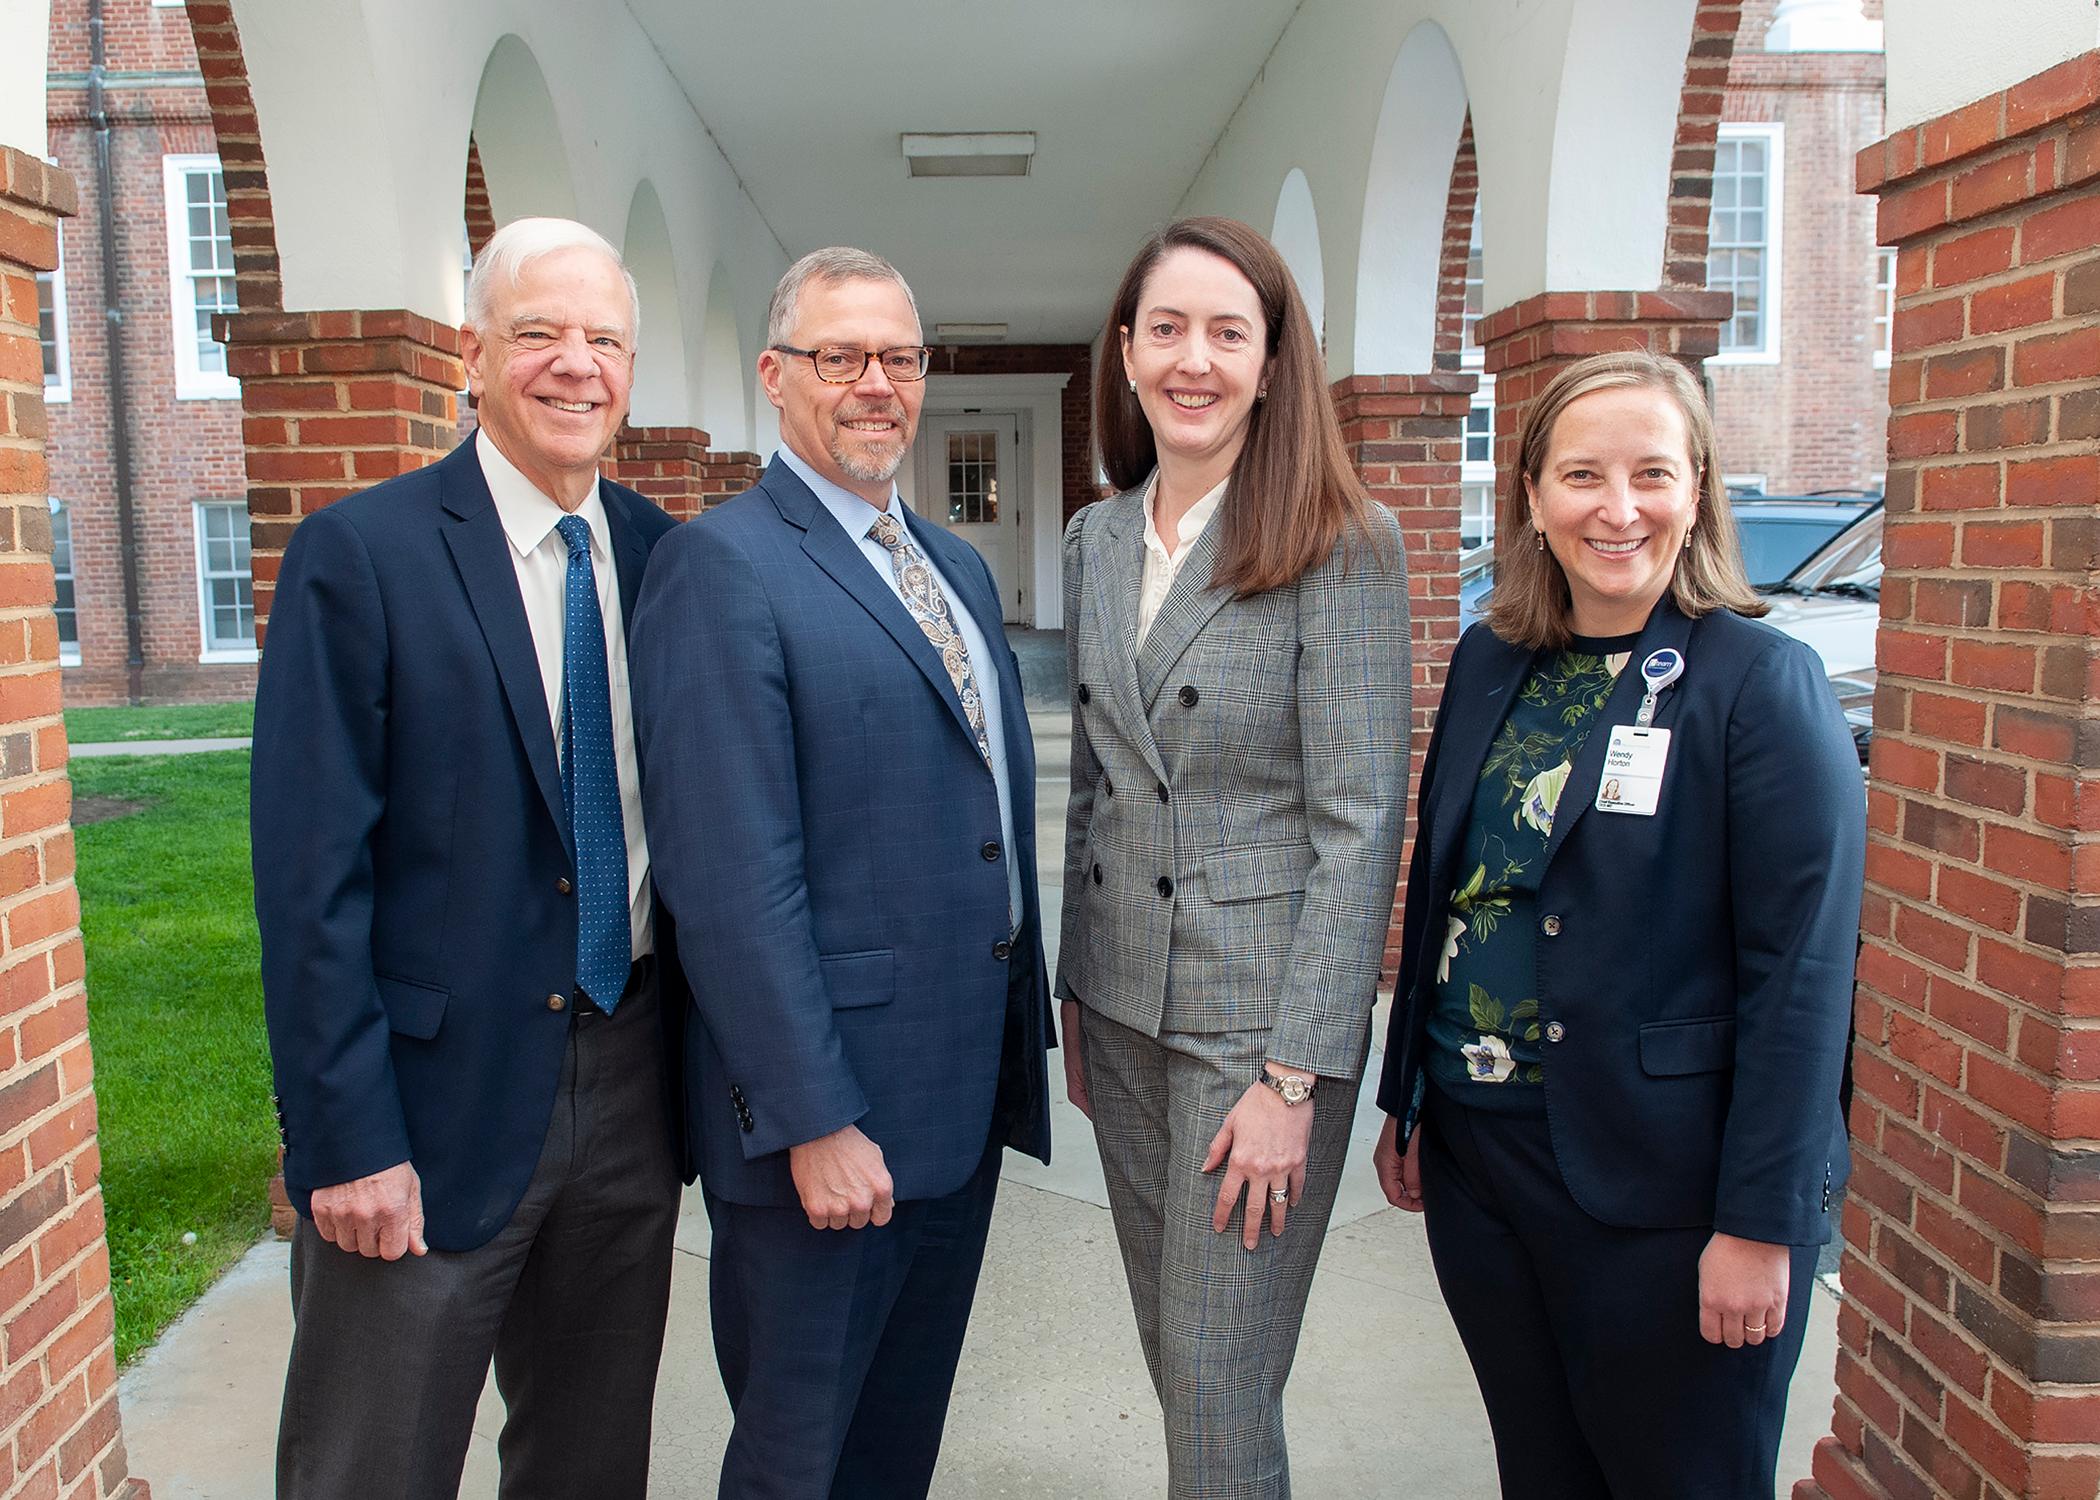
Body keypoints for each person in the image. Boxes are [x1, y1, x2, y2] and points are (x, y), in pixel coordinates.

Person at [1371, 349, 1865, 1499]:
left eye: (1652, 473)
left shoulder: (1760, 683)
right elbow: (1449, 886)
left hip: (1668, 1190)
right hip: (1481, 1162)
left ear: (1698, 490)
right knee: (1541, 1472)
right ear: (1534, 496)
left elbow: (1802, 979)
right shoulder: (1491, 659)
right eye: (1583, 475)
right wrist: (1410, 1099)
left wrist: (1762, 1223)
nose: (1618, 507)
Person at [252, 217, 688, 1498]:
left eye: (604, 339)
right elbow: (309, 882)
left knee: (589, 1465)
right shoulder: (363, 555)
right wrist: (344, 1137)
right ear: (474, 354)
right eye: (539, 332)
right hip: (425, 1109)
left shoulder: (666, 559)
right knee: (371, 1470)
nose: (576, 364)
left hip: (630, 1079)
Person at [629, 246, 1052, 1500]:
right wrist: (813, 1118)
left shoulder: (954, 567)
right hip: (829, 1125)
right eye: (842, 356)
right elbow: (728, 882)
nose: (878, 383)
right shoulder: (722, 566)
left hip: (954, 1103)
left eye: (901, 358)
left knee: (892, 1453)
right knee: (795, 1462)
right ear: (776, 377)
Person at [1057, 216, 1410, 1498]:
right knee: (1185, 1362)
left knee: (1217, 1382)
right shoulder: (1097, 541)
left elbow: (1361, 826)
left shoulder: (1341, 543)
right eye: (1167, 329)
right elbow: (1096, 787)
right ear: (1128, 352)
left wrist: (1295, 1077)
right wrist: (1074, 994)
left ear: (1271, 363)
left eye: (1227, 332)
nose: (1193, 360)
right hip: (1121, 1006)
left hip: (1254, 1034)